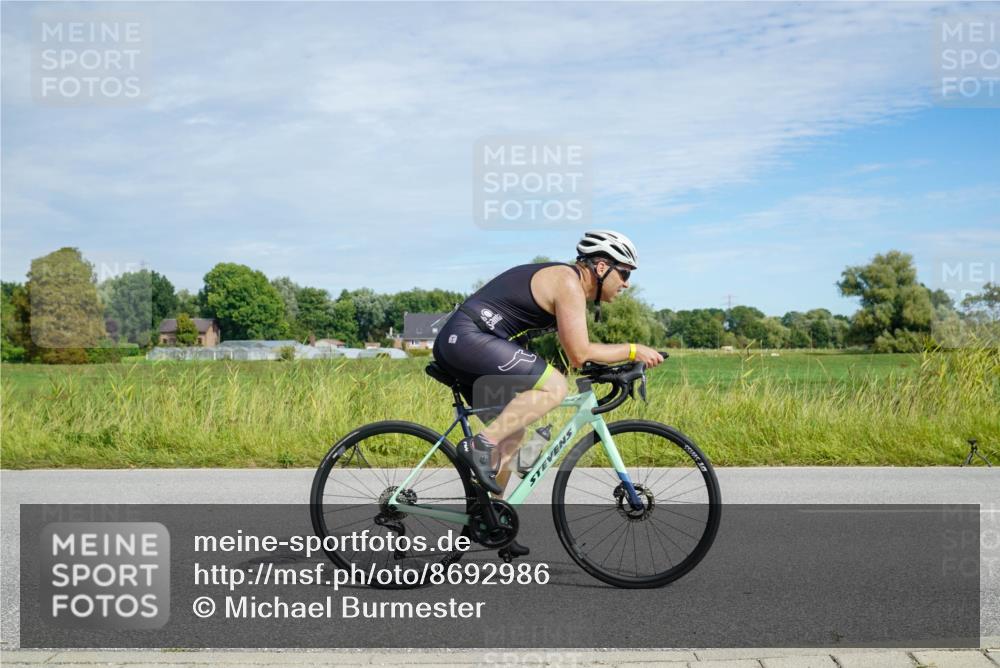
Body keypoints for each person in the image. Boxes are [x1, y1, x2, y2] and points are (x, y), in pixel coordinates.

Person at [432, 231, 664, 539]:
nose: (626, 283)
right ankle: (478, 445)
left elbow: (581, 353)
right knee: (555, 387)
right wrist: (634, 350)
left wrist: (613, 369)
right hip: (467, 337)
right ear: (601, 267)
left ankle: (491, 522)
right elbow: (579, 354)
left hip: (467, 341)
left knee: (512, 433)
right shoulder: (568, 283)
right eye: (624, 273)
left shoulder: (570, 285)